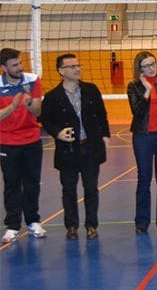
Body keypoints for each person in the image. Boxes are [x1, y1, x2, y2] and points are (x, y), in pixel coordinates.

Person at [40, 54, 110, 240]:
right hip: (68, 151)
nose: (77, 69)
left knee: (91, 189)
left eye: (78, 65)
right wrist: (58, 133)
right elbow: (45, 120)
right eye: (71, 66)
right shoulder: (53, 97)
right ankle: (71, 226)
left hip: (90, 148)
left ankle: (91, 225)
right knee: (69, 190)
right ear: (61, 71)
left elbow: (102, 114)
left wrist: (105, 136)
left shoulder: (91, 90)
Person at [0, 48, 47, 243]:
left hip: (31, 140)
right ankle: (12, 225)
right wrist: (13, 106)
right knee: (12, 183)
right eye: (14, 65)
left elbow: (37, 112)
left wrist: (28, 103)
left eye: (20, 63)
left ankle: (33, 221)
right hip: (7, 142)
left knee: (32, 182)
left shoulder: (32, 79)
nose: (20, 67)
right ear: (3, 68)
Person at [128, 51, 157, 234]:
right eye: (146, 65)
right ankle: (141, 223)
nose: (151, 67)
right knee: (144, 179)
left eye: (153, 64)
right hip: (142, 136)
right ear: (139, 68)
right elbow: (137, 112)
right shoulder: (134, 86)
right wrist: (147, 90)